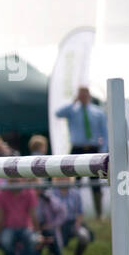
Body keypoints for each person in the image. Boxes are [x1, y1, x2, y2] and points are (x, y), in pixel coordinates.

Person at [55, 85, 109, 216]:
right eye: (81, 94)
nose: (83, 97)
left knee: (96, 183)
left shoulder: (98, 112)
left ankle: (99, 214)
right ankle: (72, 212)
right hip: (77, 149)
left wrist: (103, 151)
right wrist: (73, 102)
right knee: (74, 183)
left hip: (94, 149)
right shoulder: (72, 111)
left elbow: (105, 133)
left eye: (85, 94)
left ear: (89, 95)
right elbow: (58, 113)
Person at [0, 181, 39, 255]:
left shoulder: (30, 192)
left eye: (17, 180)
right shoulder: (1, 194)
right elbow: (0, 218)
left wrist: (38, 233)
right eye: (12, 180)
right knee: (5, 241)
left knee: (33, 239)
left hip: (26, 227)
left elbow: (34, 215)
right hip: (8, 228)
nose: (15, 182)